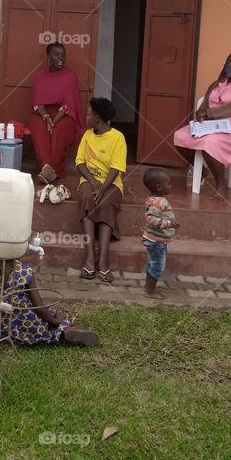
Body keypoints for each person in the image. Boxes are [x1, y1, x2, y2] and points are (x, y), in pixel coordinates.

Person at [0, 241, 99, 347]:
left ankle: (71, 329)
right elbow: (39, 308)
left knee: (49, 313)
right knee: (55, 319)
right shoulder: (25, 270)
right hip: (30, 327)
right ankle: (66, 330)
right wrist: (56, 321)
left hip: (4, 329)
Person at [173, 49, 231, 200]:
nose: (228, 65)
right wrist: (201, 113)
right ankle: (203, 171)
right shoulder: (216, 84)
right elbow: (205, 104)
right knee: (180, 136)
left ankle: (221, 184)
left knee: (209, 141)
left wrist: (209, 114)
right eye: (227, 62)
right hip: (211, 125)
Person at [76, 97, 127, 283]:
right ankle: (90, 258)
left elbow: (116, 167)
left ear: (97, 118)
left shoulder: (118, 138)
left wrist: (104, 187)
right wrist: (93, 182)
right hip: (89, 181)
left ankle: (103, 260)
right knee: (88, 198)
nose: (86, 116)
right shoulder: (87, 135)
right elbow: (80, 162)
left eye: (89, 113)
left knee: (106, 202)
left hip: (111, 183)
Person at [28, 42, 83, 183]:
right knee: (37, 125)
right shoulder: (40, 75)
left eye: (63, 55)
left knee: (58, 129)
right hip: (43, 113)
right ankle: (47, 167)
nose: (61, 58)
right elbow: (37, 103)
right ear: (48, 57)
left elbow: (68, 104)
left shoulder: (70, 76)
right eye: (56, 54)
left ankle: (52, 169)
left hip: (64, 115)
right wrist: (47, 118)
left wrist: (54, 121)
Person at [139, 168, 179, 300]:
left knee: (152, 262)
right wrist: (169, 224)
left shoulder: (155, 199)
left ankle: (148, 287)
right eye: (169, 183)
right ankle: (150, 291)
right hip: (157, 241)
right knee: (157, 265)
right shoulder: (158, 202)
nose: (171, 186)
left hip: (155, 239)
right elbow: (150, 219)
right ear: (159, 187)